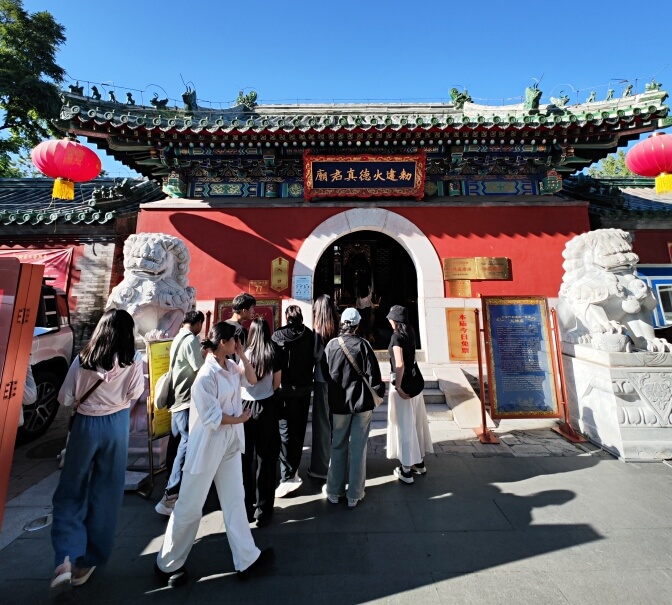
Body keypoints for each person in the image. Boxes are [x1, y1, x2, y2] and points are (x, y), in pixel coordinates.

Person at [155, 322, 273, 587]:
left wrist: (242, 355)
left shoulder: (230, 367)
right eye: (235, 341)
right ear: (223, 343)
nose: (237, 344)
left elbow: (252, 380)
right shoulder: (204, 377)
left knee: (235, 499)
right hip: (207, 446)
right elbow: (212, 417)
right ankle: (167, 562)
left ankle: (247, 557)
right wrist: (240, 419)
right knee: (189, 505)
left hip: (230, 445)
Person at [51, 309, 144, 589]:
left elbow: (65, 398)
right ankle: (88, 560)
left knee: (71, 489)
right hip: (116, 426)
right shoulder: (134, 359)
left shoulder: (84, 358)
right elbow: (134, 394)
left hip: (86, 425)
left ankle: (66, 556)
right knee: (106, 492)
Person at [323, 307, 385, 509]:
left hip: (339, 404)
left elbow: (324, 373)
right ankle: (355, 494)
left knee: (338, 445)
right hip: (361, 403)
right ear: (358, 325)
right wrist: (379, 392)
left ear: (342, 323)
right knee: (359, 448)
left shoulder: (331, 345)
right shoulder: (364, 345)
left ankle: (334, 491)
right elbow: (374, 376)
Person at [155, 310, 205, 516]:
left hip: (176, 396)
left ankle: (170, 479)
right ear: (198, 323)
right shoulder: (192, 339)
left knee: (175, 440)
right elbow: (199, 368)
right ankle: (172, 493)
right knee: (186, 442)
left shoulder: (177, 338)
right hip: (186, 397)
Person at [241, 318, 282, 527]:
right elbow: (276, 383)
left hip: (244, 408)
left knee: (245, 460)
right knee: (266, 459)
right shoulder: (273, 353)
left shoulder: (245, 355)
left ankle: (246, 508)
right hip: (266, 407)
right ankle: (263, 509)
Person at [385, 305, 433, 484]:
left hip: (403, 387)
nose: (389, 321)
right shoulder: (411, 333)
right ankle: (418, 462)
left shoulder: (396, 337)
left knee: (404, 426)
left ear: (395, 321)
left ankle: (406, 469)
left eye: (390, 318)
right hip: (415, 385)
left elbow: (399, 364)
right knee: (415, 423)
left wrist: (397, 386)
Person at [272, 306, 315, 497]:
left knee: (285, 432)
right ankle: (293, 469)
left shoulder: (278, 336)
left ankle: (287, 473)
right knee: (299, 430)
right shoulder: (310, 335)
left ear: (287, 317)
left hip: (283, 392)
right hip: (304, 389)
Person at [307, 294, 339, 480]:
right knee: (336, 423)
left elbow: (317, 355)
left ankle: (320, 467)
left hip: (321, 378)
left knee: (321, 424)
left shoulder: (318, 328)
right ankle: (338, 463)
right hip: (338, 379)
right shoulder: (337, 324)